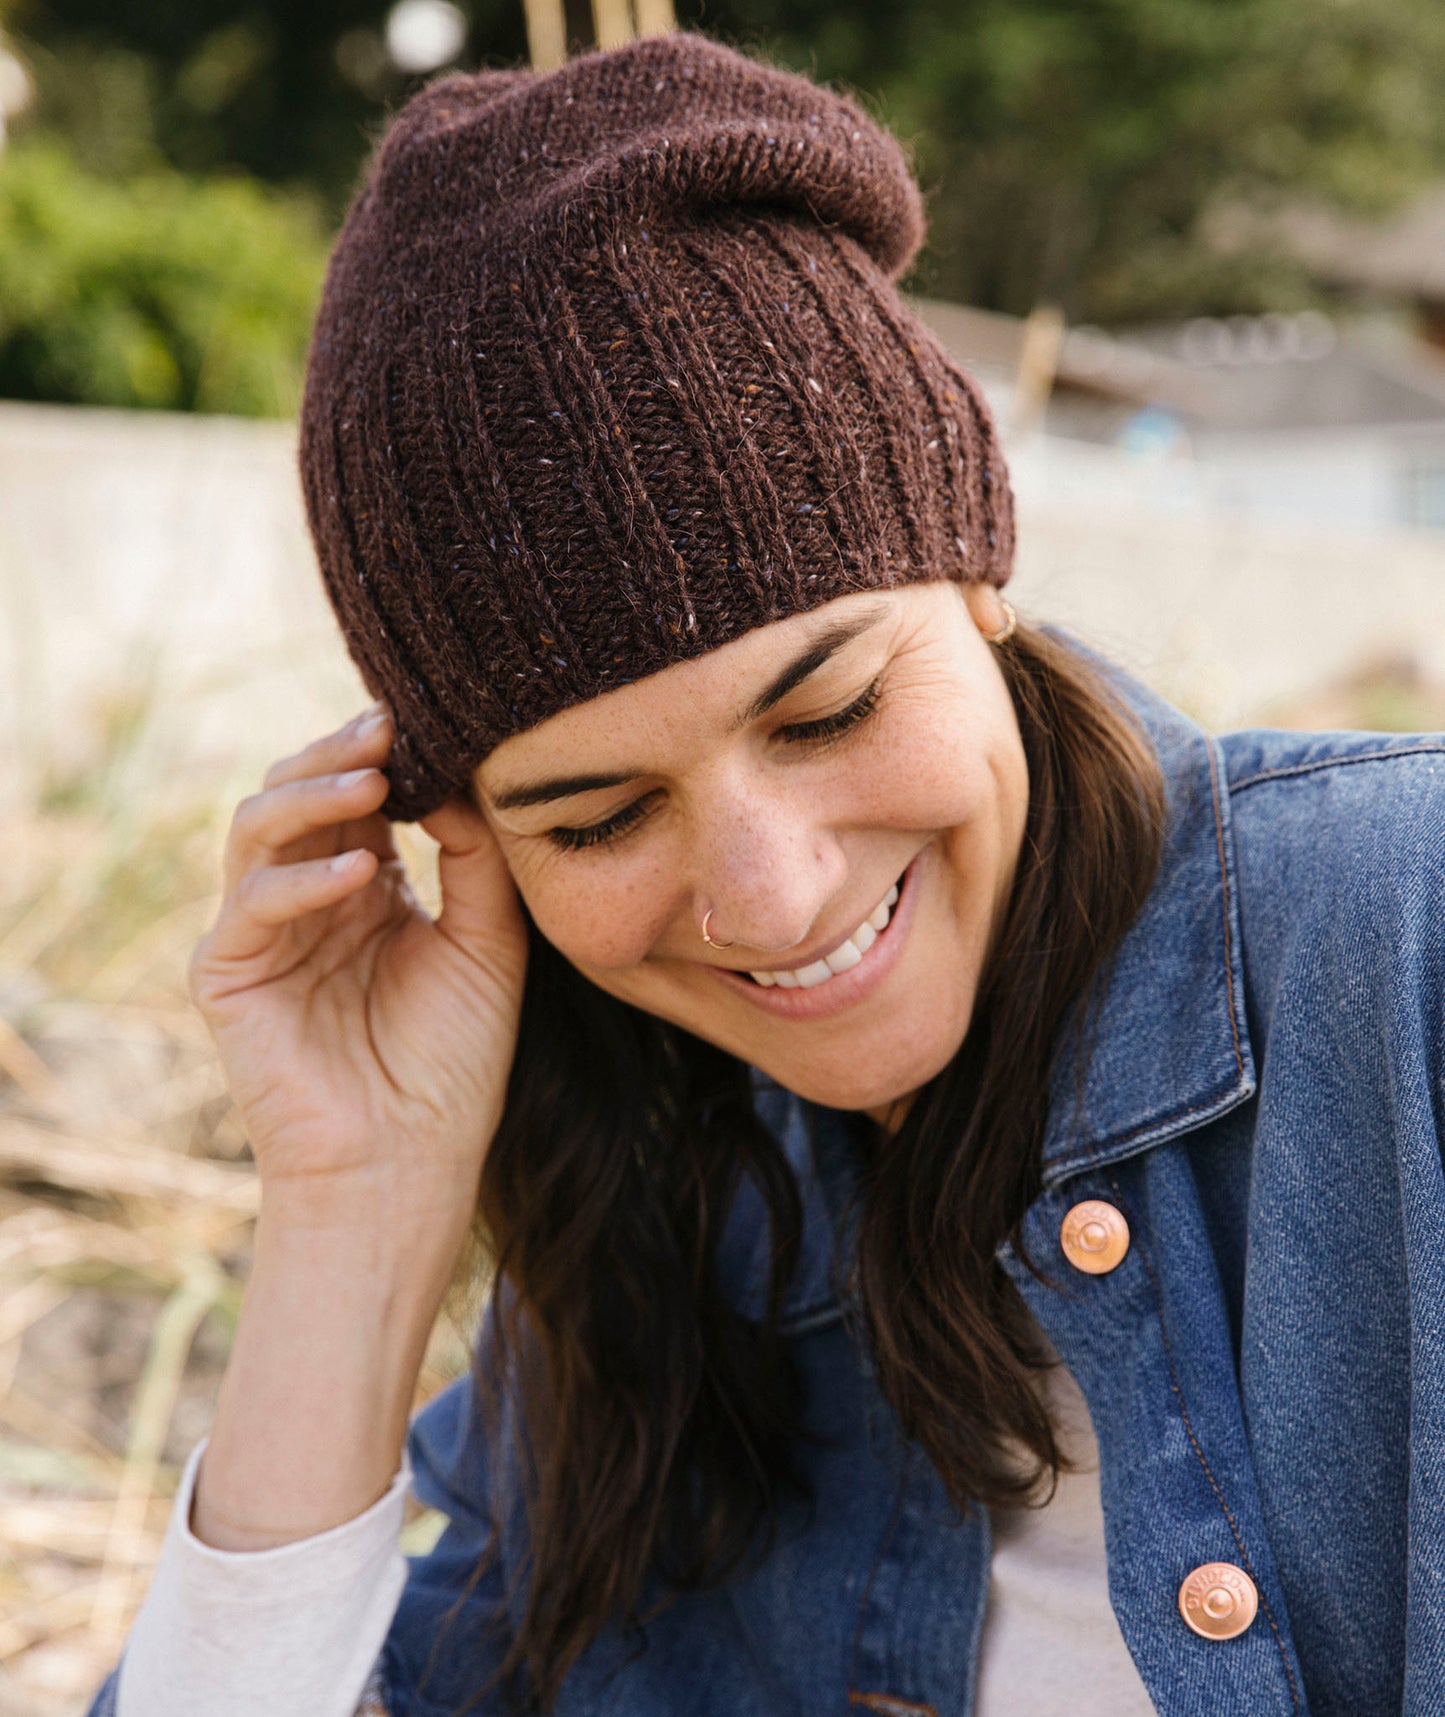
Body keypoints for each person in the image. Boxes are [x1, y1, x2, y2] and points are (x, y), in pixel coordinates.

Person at [86, 30, 1445, 1717]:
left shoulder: (1407, 938)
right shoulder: (654, 1249)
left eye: (830, 708)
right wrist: (352, 1211)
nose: (773, 891)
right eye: (596, 820)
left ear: (979, 577)